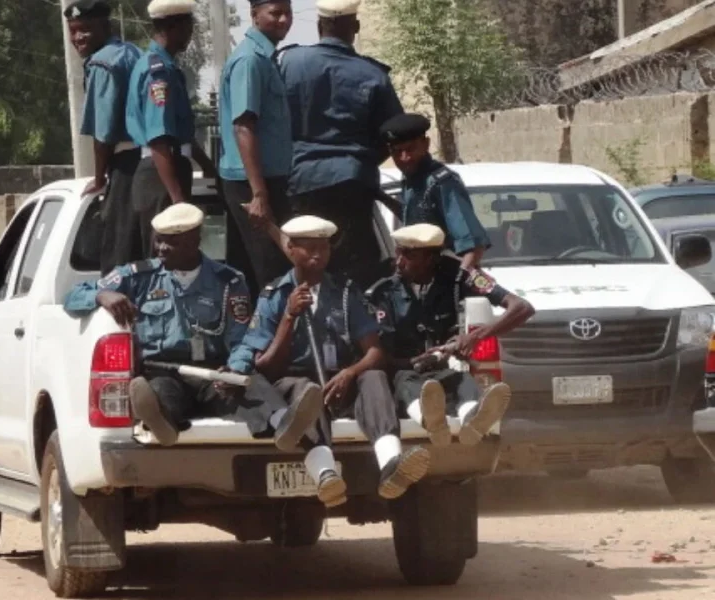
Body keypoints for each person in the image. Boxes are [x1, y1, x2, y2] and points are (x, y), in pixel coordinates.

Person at [63, 203, 323, 451]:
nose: (161, 248)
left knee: (250, 385)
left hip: (213, 372)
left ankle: (284, 424)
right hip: (164, 370)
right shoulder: (138, 277)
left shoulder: (228, 281)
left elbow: (243, 338)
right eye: (158, 240)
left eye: (171, 242)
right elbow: (73, 296)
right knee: (159, 393)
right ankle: (161, 422)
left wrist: (235, 368)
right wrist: (102, 296)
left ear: (195, 240)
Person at [228, 215, 431, 507]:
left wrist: (350, 372)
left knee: (373, 376)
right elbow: (267, 367)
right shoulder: (273, 296)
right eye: (308, 248)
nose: (317, 254)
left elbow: (375, 352)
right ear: (290, 250)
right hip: (296, 381)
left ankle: (391, 463)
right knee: (305, 391)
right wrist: (289, 316)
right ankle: (325, 475)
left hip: (338, 379)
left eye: (323, 248)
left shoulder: (347, 293)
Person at [367, 224, 535, 447]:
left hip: (444, 368)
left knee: (462, 381)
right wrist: (414, 361)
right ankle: (432, 422)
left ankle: (473, 421)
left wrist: (474, 337)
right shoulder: (383, 290)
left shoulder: (459, 275)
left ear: (431, 258)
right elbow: (377, 354)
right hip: (404, 371)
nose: (399, 262)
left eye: (409, 255)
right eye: (398, 252)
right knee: (408, 384)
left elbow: (522, 308)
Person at [276, 0, 404, 291]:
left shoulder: (290, 63)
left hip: (301, 181)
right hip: (352, 183)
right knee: (354, 273)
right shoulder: (373, 74)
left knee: (304, 266)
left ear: (320, 26)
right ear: (355, 28)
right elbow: (394, 133)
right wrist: (365, 159)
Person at [124, 0, 216, 265]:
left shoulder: (166, 67)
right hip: (160, 174)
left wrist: (207, 166)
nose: (191, 33)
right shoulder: (158, 72)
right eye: (189, 26)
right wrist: (177, 199)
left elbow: (180, 133)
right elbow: (160, 139)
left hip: (167, 167)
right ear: (174, 27)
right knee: (164, 261)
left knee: (178, 262)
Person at [218, 0, 295, 293]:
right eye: (275, 13)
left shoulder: (266, 57)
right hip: (252, 184)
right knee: (272, 275)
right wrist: (259, 194)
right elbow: (243, 127)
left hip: (263, 181)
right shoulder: (250, 60)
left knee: (254, 276)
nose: (284, 20)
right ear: (254, 15)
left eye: (287, 13)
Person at [64, 0, 144, 275]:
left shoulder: (102, 63)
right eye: (73, 31)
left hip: (127, 164)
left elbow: (104, 134)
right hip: (153, 159)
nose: (78, 38)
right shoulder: (133, 52)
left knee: (118, 259)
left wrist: (99, 179)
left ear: (105, 26)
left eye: (85, 29)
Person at [380, 113, 491, 271]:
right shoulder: (410, 179)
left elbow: (473, 246)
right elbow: (415, 218)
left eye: (410, 149)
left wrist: (456, 283)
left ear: (425, 144)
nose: (404, 158)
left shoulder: (442, 183)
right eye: (397, 152)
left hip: (445, 277)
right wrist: (381, 196)